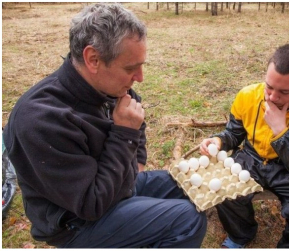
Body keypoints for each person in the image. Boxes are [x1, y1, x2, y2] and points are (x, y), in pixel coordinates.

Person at [3, 3, 206, 248]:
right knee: (188, 220)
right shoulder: (41, 120)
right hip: (77, 222)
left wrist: (135, 162)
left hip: (114, 184)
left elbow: (136, 120)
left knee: (187, 185)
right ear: (93, 59)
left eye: (141, 65)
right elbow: (92, 204)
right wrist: (125, 135)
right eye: (131, 68)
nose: (140, 78)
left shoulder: (108, 86)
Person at [200, 44, 289, 248]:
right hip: (252, 158)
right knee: (220, 185)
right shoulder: (248, 96)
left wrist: (281, 132)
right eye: (269, 87)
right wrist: (219, 141)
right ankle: (241, 234)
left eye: (284, 91)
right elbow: (234, 133)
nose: (272, 97)